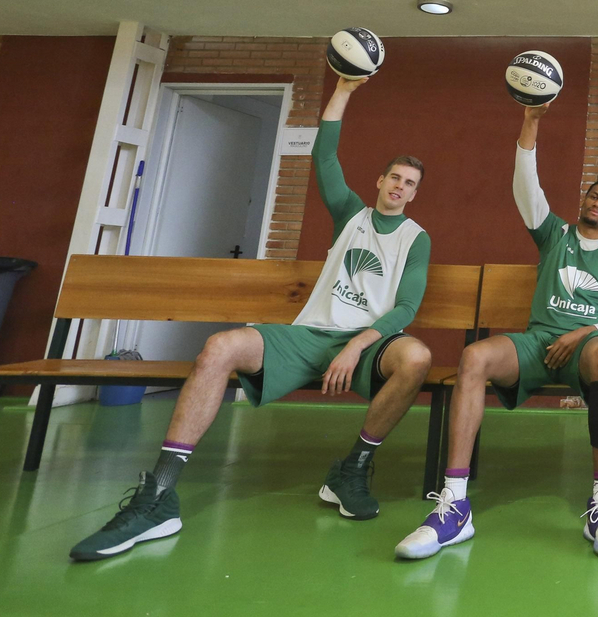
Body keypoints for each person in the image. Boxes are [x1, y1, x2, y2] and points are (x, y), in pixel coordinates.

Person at [71, 74, 434, 561]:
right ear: (380, 181)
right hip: (309, 335)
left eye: (409, 183)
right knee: (220, 347)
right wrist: (344, 89)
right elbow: (325, 156)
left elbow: (407, 308)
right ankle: (159, 495)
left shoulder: (416, 238)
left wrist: (355, 344)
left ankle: (351, 469)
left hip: (368, 344)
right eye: (394, 177)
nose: (399, 187)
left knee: (417, 357)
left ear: (414, 194)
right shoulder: (351, 213)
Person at [396, 101, 598, 560]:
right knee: (474, 357)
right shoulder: (555, 234)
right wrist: (531, 121)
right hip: (538, 342)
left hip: (586, 346)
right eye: (593, 196)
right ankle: (455, 503)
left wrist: (580, 333)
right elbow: (525, 184)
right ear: (583, 201)